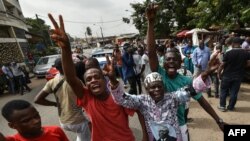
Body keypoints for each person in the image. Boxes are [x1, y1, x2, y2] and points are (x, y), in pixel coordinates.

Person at [48, 14, 136, 141]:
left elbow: (140, 108)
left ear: (104, 80)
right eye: (88, 79)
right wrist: (66, 48)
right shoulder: (87, 97)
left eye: (96, 77)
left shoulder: (119, 96)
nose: (93, 80)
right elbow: (71, 78)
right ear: (86, 84)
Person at [146, 4, 225, 141]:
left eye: (174, 60)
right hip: (161, 126)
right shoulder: (159, 73)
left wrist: (218, 120)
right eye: (168, 59)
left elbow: (202, 101)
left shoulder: (187, 81)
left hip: (180, 125)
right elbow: (151, 53)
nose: (171, 61)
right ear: (163, 63)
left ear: (180, 63)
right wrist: (151, 23)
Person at [34, 58, 91, 141]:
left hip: (63, 121)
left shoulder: (52, 82)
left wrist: (55, 104)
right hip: (78, 121)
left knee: (80, 136)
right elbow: (86, 98)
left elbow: (37, 99)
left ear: (56, 68)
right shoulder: (75, 81)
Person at [1, 100, 69, 141]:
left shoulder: (56, 131)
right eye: (26, 121)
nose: (36, 121)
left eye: (36, 116)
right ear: (12, 125)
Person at [217, 37, 250, 112]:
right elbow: (248, 63)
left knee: (223, 91)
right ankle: (231, 107)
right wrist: (242, 66)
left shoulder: (228, 53)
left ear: (233, 43)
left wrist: (219, 73)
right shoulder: (245, 53)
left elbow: (222, 65)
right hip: (238, 76)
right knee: (234, 92)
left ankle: (222, 106)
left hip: (227, 75)